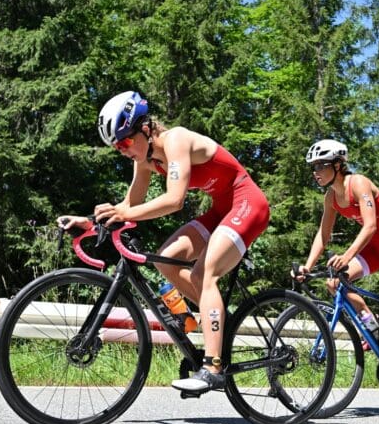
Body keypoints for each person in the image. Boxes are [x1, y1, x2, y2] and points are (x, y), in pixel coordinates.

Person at [58, 91, 270, 393]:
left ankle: (213, 367)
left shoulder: (176, 140)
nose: (123, 150)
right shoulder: (145, 160)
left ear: (145, 127)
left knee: (204, 273)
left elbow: (174, 200)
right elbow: (129, 206)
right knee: (164, 258)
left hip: (248, 203)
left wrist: (122, 211)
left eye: (126, 141)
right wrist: (89, 221)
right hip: (222, 208)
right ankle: (215, 320)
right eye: (117, 147)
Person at [294, 139, 379, 401]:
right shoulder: (331, 197)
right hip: (374, 250)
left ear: (337, 164)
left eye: (320, 165)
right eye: (313, 167)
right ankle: (375, 329)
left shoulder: (359, 183)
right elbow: (323, 234)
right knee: (334, 284)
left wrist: (347, 255)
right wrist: (307, 267)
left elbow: (370, 226)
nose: (315, 172)